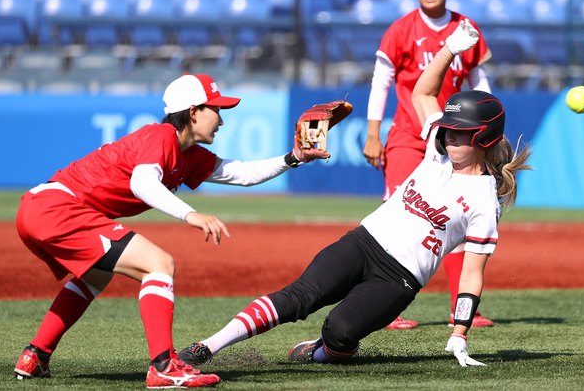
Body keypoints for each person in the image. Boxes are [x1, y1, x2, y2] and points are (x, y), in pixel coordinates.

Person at [178, 21, 531, 368]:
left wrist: (460, 332)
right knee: (299, 297)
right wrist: (450, 49)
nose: (450, 136)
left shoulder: (485, 201)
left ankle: (325, 349)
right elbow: (421, 93)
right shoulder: (436, 148)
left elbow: (471, 274)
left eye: (460, 132)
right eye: (449, 129)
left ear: (483, 139)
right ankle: (206, 347)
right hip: (363, 241)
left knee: (339, 332)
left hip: (399, 279)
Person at [13, 74, 329, 389]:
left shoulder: (189, 155)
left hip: (42, 209)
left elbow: (242, 173)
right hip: (58, 208)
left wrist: (294, 157)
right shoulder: (161, 136)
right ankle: (164, 366)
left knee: (95, 276)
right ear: (193, 112)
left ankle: (35, 355)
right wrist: (190, 214)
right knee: (159, 264)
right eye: (216, 109)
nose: (221, 119)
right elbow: (142, 183)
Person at [362, 0, 494, 330]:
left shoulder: (465, 28)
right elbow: (381, 83)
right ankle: (384, 307)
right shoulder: (401, 30)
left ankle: (461, 307)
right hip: (408, 134)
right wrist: (374, 134)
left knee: (459, 215)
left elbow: (479, 81)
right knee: (395, 214)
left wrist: (487, 125)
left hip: (454, 139)